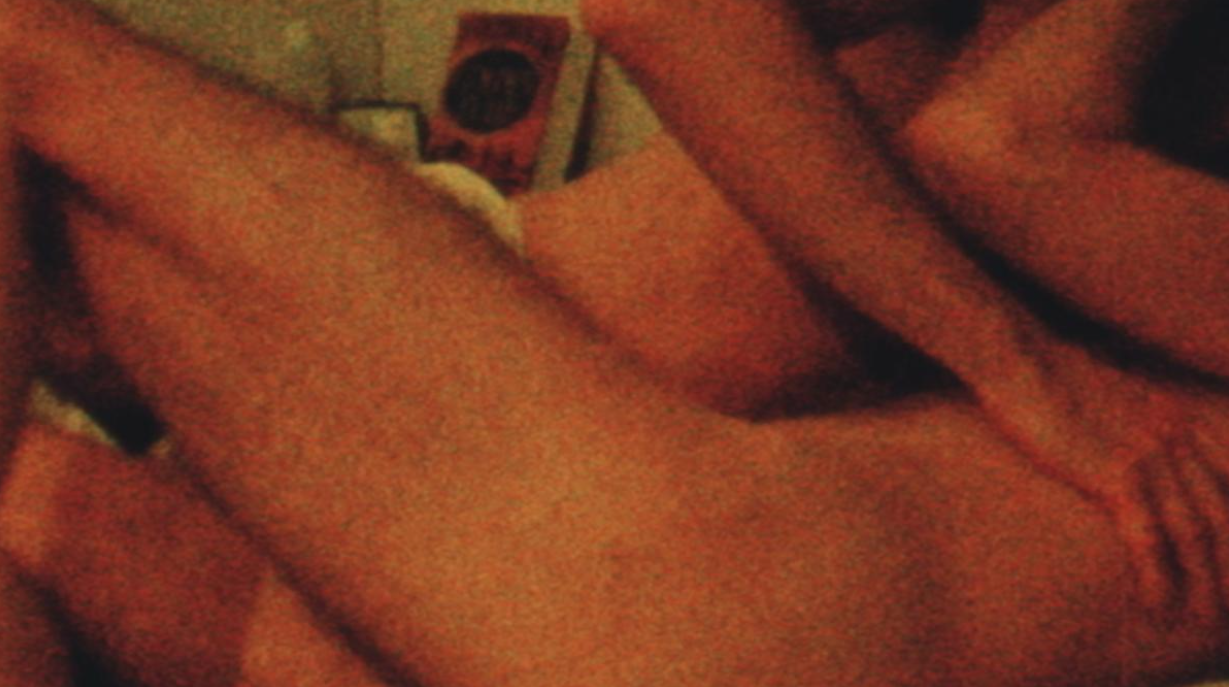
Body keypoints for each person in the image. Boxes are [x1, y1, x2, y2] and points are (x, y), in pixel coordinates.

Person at [0, 0, 1228, 685]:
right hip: (667, 579)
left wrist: (1029, 370)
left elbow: (997, 146)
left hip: (674, 591)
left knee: (28, 71)